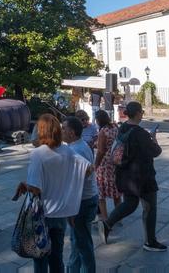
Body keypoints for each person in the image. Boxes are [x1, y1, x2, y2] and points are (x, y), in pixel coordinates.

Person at [15, 114, 91, 273]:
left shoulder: (38, 154)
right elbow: (89, 169)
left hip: (42, 213)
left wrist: (25, 185)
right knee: (57, 258)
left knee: (40, 258)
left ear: (41, 131)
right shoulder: (67, 151)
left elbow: (36, 188)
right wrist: (68, 188)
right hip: (61, 213)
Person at [100, 102, 166, 252]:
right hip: (143, 177)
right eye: (141, 112)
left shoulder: (122, 128)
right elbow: (156, 151)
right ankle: (150, 241)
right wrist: (153, 138)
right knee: (150, 208)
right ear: (137, 113)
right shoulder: (140, 133)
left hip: (125, 175)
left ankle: (107, 223)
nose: (142, 114)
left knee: (130, 203)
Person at [62, 116, 98, 273]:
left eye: (63, 128)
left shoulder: (75, 150)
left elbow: (76, 183)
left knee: (83, 244)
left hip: (82, 202)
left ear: (70, 132)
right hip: (87, 199)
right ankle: (73, 268)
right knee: (77, 239)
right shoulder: (80, 146)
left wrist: (70, 207)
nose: (61, 131)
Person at [93, 109, 121, 221]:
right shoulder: (115, 127)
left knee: (101, 194)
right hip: (114, 161)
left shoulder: (103, 131)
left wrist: (96, 165)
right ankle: (118, 217)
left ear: (99, 120)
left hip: (104, 164)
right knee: (116, 192)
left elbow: (100, 151)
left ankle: (105, 218)